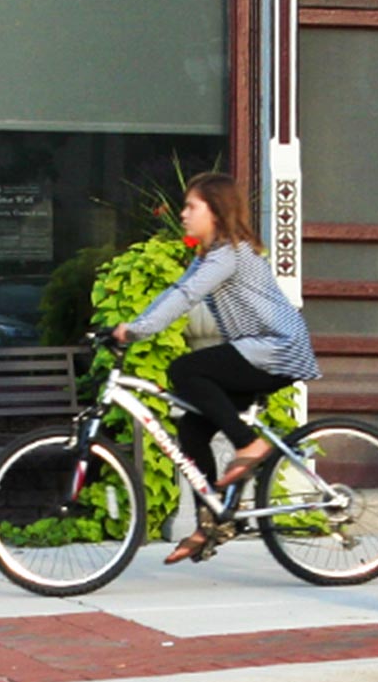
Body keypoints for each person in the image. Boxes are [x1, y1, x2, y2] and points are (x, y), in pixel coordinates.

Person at [112, 172, 320, 564]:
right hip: (256, 351)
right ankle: (214, 520)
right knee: (191, 427)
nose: (183, 213)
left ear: (216, 212)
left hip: (277, 349)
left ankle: (248, 444)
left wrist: (135, 331)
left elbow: (189, 296)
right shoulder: (210, 255)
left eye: (192, 206)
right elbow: (175, 291)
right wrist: (132, 326)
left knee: (185, 370)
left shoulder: (231, 253)